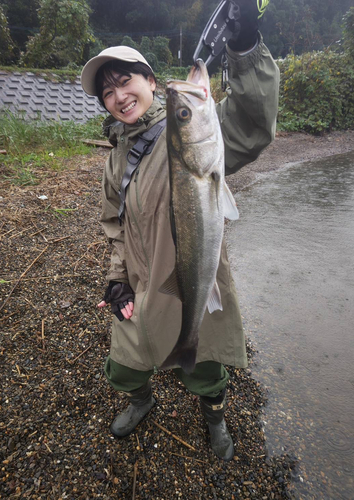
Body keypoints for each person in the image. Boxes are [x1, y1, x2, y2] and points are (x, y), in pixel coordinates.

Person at [81, 0, 279, 461]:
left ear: (150, 80)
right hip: (142, 285)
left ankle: (215, 419)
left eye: (125, 80)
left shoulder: (190, 132)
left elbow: (253, 124)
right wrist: (116, 278)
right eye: (107, 92)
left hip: (196, 274)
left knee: (205, 367)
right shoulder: (115, 159)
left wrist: (245, 47)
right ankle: (141, 399)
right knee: (126, 363)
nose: (119, 95)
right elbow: (115, 224)